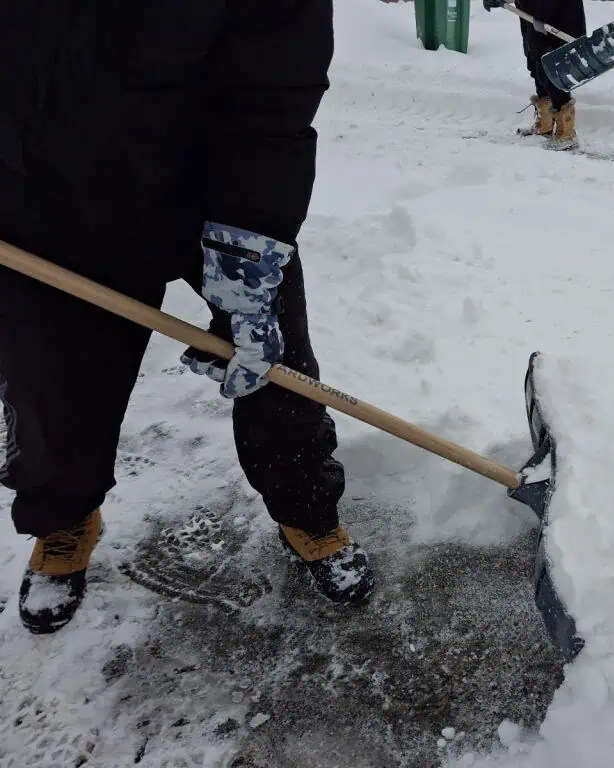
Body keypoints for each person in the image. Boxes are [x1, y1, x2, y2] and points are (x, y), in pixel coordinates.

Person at [0, 1, 375, 635]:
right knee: (50, 387)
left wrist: (250, 251)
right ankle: (63, 520)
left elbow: (276, 89)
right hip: (42, 194)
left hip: (213, 188)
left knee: (274, 370)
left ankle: (308, 511)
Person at [484, 0, 586, 150]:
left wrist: (539, 13)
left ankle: (567, 132)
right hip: (533, 15)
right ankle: (545, 123)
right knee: (535, 63)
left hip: (556, 17)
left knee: (553, 70)